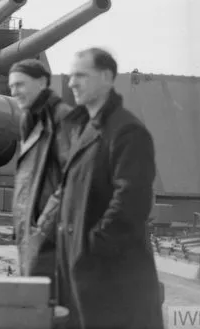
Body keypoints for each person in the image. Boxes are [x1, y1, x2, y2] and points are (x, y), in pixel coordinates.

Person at [57, 48, 163, 329]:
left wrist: (91, 251)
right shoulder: (83, 129)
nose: (72, 83)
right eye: (71, 76)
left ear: (106, 78)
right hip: (86, 281)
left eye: (81, 75)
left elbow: (131, 202)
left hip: (112, 281)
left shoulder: (126, 131)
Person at [8, 59, 72, 291]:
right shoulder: (30, 119)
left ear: (43, 82)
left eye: (20, 85)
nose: (14, 92)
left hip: (51, 236)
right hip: (32, 233)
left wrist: (42, 226)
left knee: (50, 302)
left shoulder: (62, 119)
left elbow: (74, 180)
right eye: (11, 87)